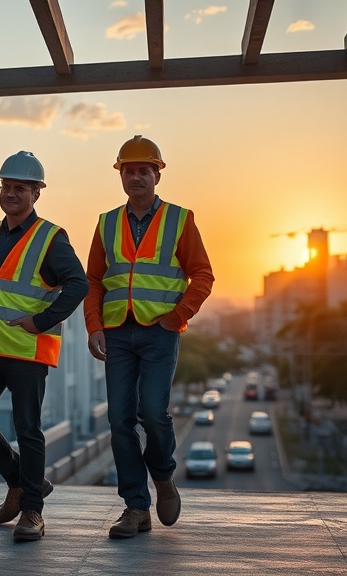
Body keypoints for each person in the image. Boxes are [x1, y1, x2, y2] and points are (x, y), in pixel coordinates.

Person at [84, 135, 214, 539]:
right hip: (118, 334)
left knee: (153, 413)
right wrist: (94, 326)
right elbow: (93, 280)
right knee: (119, 419)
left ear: (157, 174)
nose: (136, 176)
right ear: (120, 175)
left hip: (160, 333)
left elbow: (203, 276)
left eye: (144, 170)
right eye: (128, 170)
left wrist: (176, 318)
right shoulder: (106, 222)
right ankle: (136, 508)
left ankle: (163, 476)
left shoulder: (180, 218)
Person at [0, 151, 88, 542]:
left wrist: (43, 321)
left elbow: (78, 283)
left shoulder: (50, 237)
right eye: (6, 187)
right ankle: (20, 482)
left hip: (27, 350)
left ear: (36, 193)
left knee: (28, 429)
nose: (11, 194)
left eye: (19, 188)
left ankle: (32, 510)